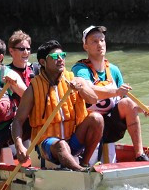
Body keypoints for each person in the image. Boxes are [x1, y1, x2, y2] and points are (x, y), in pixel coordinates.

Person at [10, 40, 102, 171]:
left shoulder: (74, 80)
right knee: (61, 145)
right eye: (54, 57)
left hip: (73, 138)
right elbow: (18, 121)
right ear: (43, 62)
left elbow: (93, 99)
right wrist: (19, 146)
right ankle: (80, 171)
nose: (60, 60)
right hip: (47, 144)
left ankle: (85, 164)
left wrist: (81, 88)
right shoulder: (33, 89)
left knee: (97, 118)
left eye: (62, 55)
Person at [72, 25, 149, 161]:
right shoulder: (80, 69)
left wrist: (144, 109)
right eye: (94, 41)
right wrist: (115, 91)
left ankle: (139, 155)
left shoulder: (114, 70)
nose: (100, 44)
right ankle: (84, 161)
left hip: (110, 128)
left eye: (102, 40)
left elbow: (125, 105)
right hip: (88, 127)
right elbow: (90, 90)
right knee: (97, 117)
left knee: (127, 103)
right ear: (85, 46)